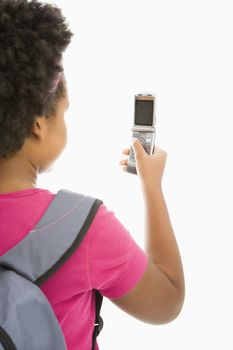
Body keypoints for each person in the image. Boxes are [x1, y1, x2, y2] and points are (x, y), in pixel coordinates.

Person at [0, 0, 185, 349]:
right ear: (38, 125)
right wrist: (152, 185)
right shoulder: (79, 226)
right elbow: (168, 300)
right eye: (65, 113)